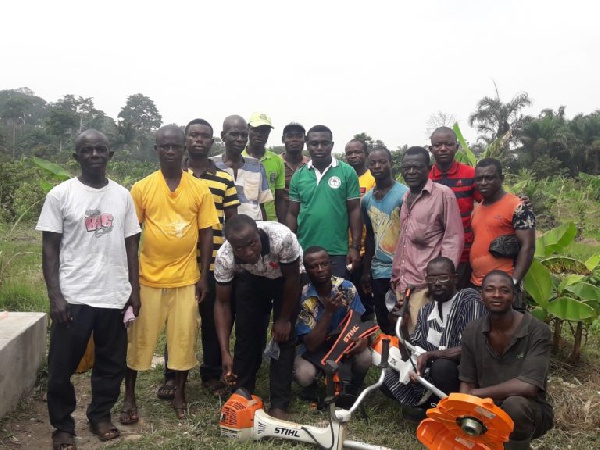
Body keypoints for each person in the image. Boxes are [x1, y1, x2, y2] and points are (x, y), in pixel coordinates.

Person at [36, 129, 141, 447]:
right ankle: (63, 426)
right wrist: (56, 296)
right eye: (87, 150)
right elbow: (49, 249)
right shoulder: (60, 194)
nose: (94, 154)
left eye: (100, 149)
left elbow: (132, 245)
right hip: (74, 296)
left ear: (110, 155)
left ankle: (100, 415)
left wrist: (134, 290)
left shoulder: (122, 196)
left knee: (111, 364)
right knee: (60, 367)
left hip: (113, 295)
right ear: (77, 157)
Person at [123, 125, 219, 422]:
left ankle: (180, 393)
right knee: (139, 341)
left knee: (183, 340)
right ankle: (129, 397)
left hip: (186, 279)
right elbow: (131, 236)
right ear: (156, 149)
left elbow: (206, 232)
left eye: (175, 146)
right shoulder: (142, 188)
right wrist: (132, 283)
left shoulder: (198, 189)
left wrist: (203, 276)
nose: (170, 151)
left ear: (184, 149)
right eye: (164, 146)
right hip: (148, 279)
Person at [157, 118, 240, 400]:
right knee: (177, 320)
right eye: (193, 136)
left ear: (212, 141)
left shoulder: (224, 178)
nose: (198, 141)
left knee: (213, 318)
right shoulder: (170, 176)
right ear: (185, 140)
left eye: (204, 136)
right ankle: (171, 373)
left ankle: (212, 373)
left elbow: (232, 223)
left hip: (215, 262)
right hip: (178, 263)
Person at [214, 214, 302, 420]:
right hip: (252, 279)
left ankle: (279, 403)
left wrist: (283, 319)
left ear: (259, 234)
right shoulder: (225, 257)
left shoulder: (281, 238)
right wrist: (225, 351)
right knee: (246, 335)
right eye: (240, 248)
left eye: (252, 243)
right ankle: (243, 394)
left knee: (283, 337)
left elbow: (293, 279)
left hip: (285, 280)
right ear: (231, 246)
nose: (248, 251)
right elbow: (222, 303)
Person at [381, 257, 486, 418]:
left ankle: (456, 413)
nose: (437, 283)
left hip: (464, 373)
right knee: (386, 376)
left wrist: (431, 356)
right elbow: (409, 352)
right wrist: (402, 325)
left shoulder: (469, 300)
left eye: (443, 277)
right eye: (431, 278)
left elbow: (470, 348)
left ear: (455, 279)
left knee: (441, 367)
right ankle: (432, 409)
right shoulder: (426, 311)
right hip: (430, 373)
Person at [460, 270, 553, 449]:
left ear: (514, 296)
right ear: (481, 295)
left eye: (504, 290)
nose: (497, 295)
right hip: (486, 408)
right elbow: (467, 381)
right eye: (490, 289)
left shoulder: (537, 330)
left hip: (529, 410)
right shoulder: (472, 330)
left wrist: (476, 395)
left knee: (514, 404)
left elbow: (528, 386)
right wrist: (465, 406)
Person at [391, 146, 463, 333]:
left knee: (427, 335)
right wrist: (397, 274)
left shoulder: (443, 194)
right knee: (405, 332)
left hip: (426, 284)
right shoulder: (406, 196)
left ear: (428, 168)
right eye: (407, 168)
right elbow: (404, 240)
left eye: (417, 167)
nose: (411, 172)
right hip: (405, 281)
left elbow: (453, 238)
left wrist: (442, 281)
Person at [294, 246, 372, 401]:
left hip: (343, 345)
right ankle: (312, 390)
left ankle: (353, 389)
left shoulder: (347, 288)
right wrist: (329, 312)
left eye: (324, 264)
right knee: (305, 375)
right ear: (306, 270)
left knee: (366, 356)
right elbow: (311, 345)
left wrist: (363, 340)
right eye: (313, 266)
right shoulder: (302, 296)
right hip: (314, 351)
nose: (320, 269)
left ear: (331, 264)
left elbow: (360, 323)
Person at [286, 125, 362, 278]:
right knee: (307, 299)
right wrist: (289, 247)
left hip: (338, 252)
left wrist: (354, 247)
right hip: (305, 251)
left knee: (339, 297)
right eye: (314, 144)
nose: (319, 147)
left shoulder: (347, 172)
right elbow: (292, 214)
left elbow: (354, 210)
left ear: (332, 145)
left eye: (324, 143)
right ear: (308, 145)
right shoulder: (299, 176)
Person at [470, 158, 535, 299]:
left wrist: (513, 282)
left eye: (489, 178)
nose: (483, 183)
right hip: (477, 284)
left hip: (502, 287)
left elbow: (528, 247)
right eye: (479, 178)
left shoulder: (517, 206)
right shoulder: (477, 209)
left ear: (501, 179)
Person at [360, 146, 408, 333]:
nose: (378, 166)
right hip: (378, 269)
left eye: (382, 162)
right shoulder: (367, 200)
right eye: (373, 163)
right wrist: (366, 270)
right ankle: (386, 359)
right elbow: (370, 236)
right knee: (383, 318)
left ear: (391, 163)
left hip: (402, 270)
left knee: (402, 318)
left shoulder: (404, 194)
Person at [429, 127, 481, 289]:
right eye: (438, 145)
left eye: (448, 144)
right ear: (431, 149)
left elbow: (490, 200)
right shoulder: (426, 178)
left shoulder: (470, 174)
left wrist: (517, 201)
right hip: (433, 255)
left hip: (464, 252)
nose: (443, 148)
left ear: (457, 147)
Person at [213, 115, 272, 220]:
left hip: (253, 231)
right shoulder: (211, 166)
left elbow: (261, 206)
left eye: (244, 135)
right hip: (221, 232)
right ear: (223, 136)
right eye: (234, 134)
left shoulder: (257, 166)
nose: (240, 139)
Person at [344, 138, 376, 319]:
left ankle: (368, 338)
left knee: (365, 300)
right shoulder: (344, 177)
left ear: (365, 153)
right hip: (344, 247)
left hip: (366, 249)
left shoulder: (373, 179)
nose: (353, 156)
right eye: (349, 153)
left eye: (357, 152)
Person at [243, 112, 286, 222]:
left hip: (271, 222)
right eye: (256, 129)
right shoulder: (239, 158)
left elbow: (279, 198)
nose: (259, 134)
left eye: (264, 131)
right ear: (248, 129)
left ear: (268, 133)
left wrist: (282, 225)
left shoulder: (277, 161)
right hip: (244, 221)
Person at [280, 122, 309, 217]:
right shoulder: (275, 163)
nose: (294, 140)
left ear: (305, 140)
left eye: (299, 136)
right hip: (279, 217)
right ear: (283, 139)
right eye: (290, 136)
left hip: (305, 216)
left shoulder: (311, 165)